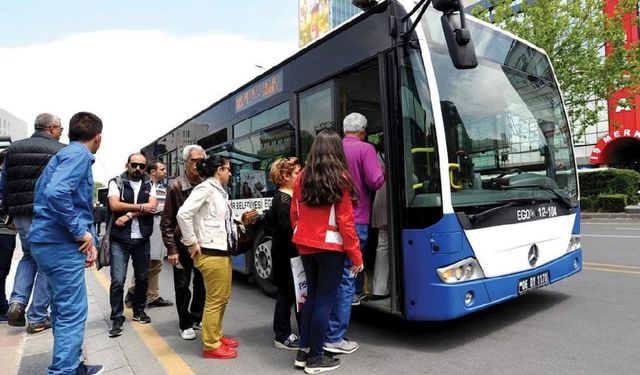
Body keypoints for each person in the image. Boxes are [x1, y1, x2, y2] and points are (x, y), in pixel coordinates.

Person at [28, 111, 104, 375]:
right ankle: (64, 371)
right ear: (98, 137)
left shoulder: (63, 155)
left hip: (45, 241)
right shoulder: (80, 155)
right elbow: (57, 193)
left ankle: (71, 364)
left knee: (62, 310)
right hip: (59, 244)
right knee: (72, 311)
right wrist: (80, 233)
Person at [290, 130, 364, 374]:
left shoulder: (301, 177)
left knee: (311, 299)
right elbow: (346, 222)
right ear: (336, 150)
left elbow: (295, 214)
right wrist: (356, 256)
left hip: (305, 245)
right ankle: (317, 358)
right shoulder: (340, 177)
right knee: (324, 301)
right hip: (331, 246)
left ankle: (305, 351)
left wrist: (303, 235)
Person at [176, 155, 257, 359]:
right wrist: (192, 242)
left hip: (222, 251)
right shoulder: (205, 189)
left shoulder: (218, 191)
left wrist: (240, 221)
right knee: (214, 299)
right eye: (228, 169)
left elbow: (216, 221)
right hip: (211, 252)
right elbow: (183, 214)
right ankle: (211, 345)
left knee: (222, 297)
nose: (230, 173)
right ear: (219, 170)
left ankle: (216, 335)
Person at [324, 112, 384, 355]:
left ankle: (331, 326)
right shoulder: (366, 149)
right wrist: (383, 170)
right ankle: (335, 336)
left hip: (332, 220)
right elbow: (375, 181)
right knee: (348, 275)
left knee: (338, 275)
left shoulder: (334, 150)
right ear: (363, 130)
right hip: (356, 219)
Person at [0, 113, 65, 332]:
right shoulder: (60, 150)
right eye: (61, 129)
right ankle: (37, 316)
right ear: (52, 128)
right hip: (46, 215)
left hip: (20, 214)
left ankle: (17, 302)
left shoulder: (14, 149)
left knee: (29, 257)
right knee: (47, 262)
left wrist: (7, 212)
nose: (61, 133)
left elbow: (5, 183)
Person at [106, 153, 157, 337]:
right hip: (119, 239)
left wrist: (129, 214)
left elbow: (152, 207)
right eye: (134, 165)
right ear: (127, 164)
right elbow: (114, 205)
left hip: (142, 238)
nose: (138, 169)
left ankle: (138, 311)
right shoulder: (116, 182)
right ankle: (117, 317)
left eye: (142, 166)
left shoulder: (149, 183)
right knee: (118, 280)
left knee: (143, 278)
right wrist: (141, 208)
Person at [160, 145, 206, 341]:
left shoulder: (207, 183)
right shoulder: (175, 186)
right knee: (182, 285)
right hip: (182, 244)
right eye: (193, 160)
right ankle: (185, 323)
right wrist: (171, 249)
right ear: (186, 162)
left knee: (202, 284)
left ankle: (196, 317)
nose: (197, 164)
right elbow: (167, 222)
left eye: (200, 160)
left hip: (203, 243)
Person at [125, 161, 173, 308]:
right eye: (162, 169)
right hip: (148, 226)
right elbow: (149, 207)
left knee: (156, 261)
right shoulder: (145, 185)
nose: (165, 171)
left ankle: (152, 296)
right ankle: (133, 292)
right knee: (146, 263)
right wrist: (161, 208)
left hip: (160, 227)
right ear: (153, 171)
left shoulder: (161, 187)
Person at [269, 157, 302, 350]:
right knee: (286, 295)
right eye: (297, 173)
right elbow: (289, 231)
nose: (300, 177)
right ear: (285, 176)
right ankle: (281, 335)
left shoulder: (289, 196)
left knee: (291, 294)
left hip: (288, 256)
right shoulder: (283, 200)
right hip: (286, 257)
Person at [0, 150, 17, 323]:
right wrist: (9, 216)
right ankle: (2, 308)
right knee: (2, 271)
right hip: (4, 231)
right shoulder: (2, 179)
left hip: (6, 231)